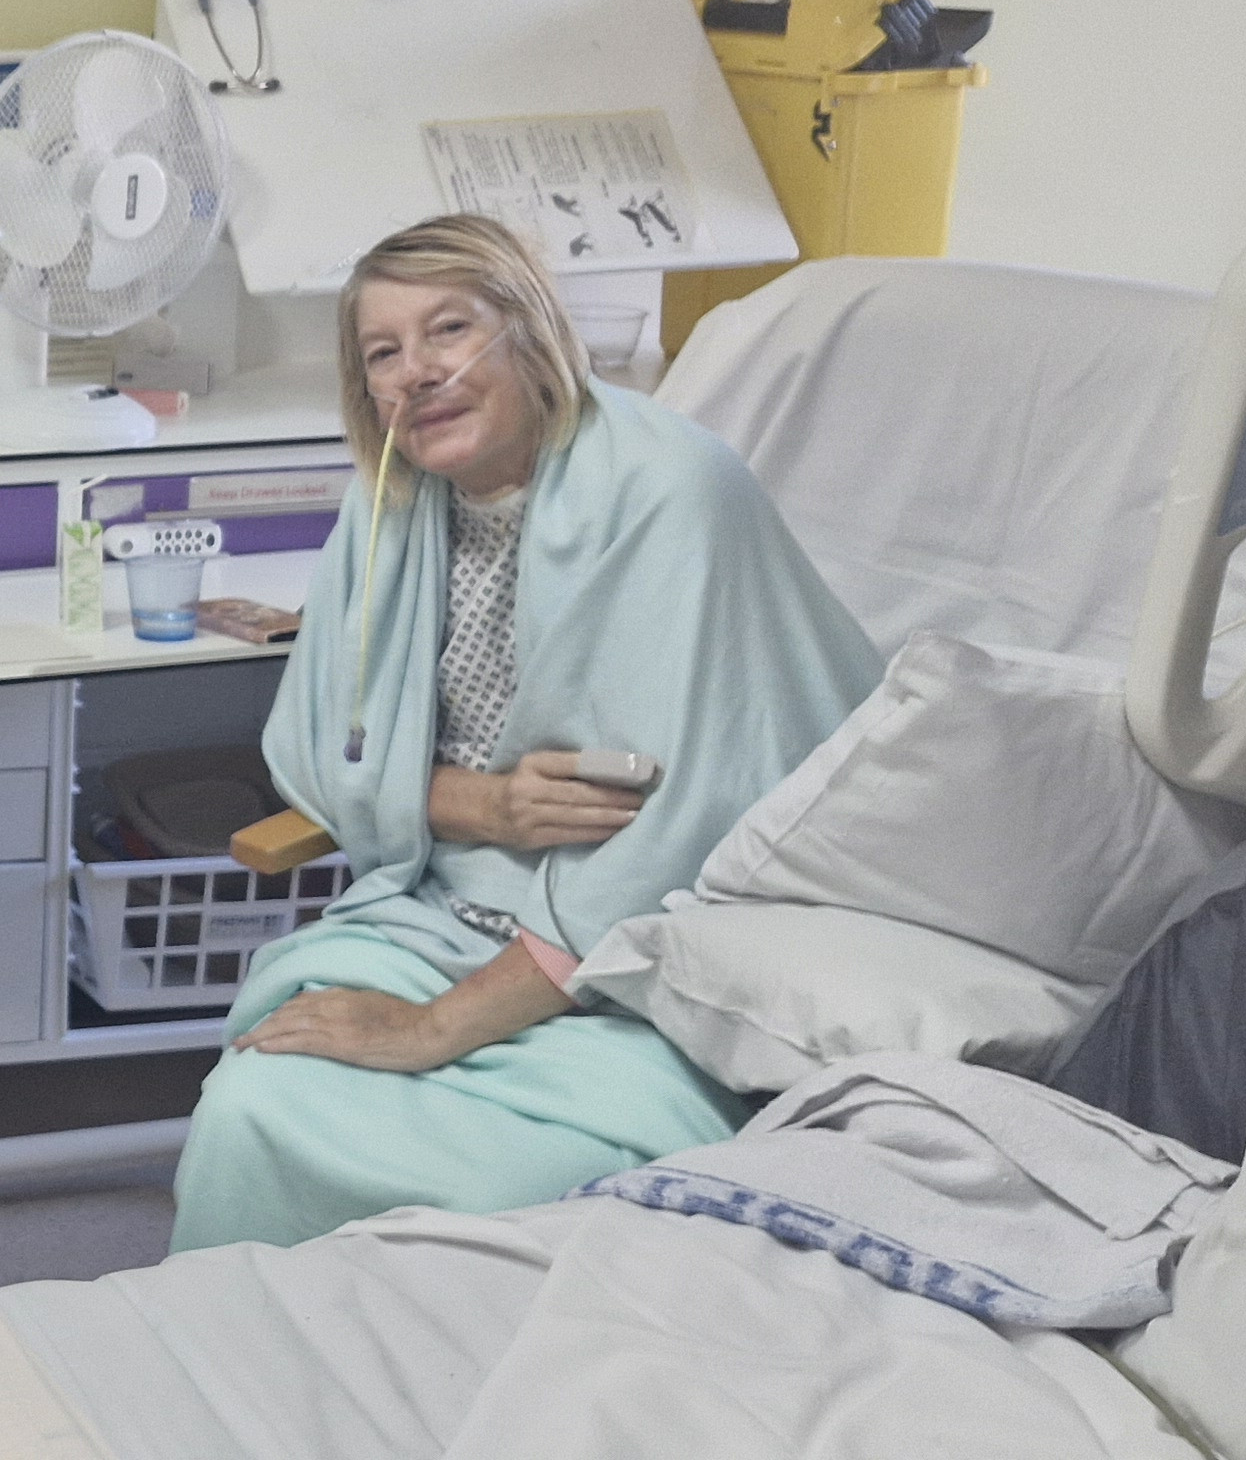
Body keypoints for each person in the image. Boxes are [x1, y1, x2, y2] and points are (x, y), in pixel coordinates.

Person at [168, 214, 884, 1252]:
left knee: (507, 1191)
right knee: (253, 1106)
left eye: (449, 330)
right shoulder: (391, 504)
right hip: (439, 915)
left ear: (529, 329)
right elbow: (318, 749)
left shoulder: (671, 493)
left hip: (642, 964)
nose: (417, 372)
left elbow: (679, 844)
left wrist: (434, 1029)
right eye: (382, 353)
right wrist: (483, 804)